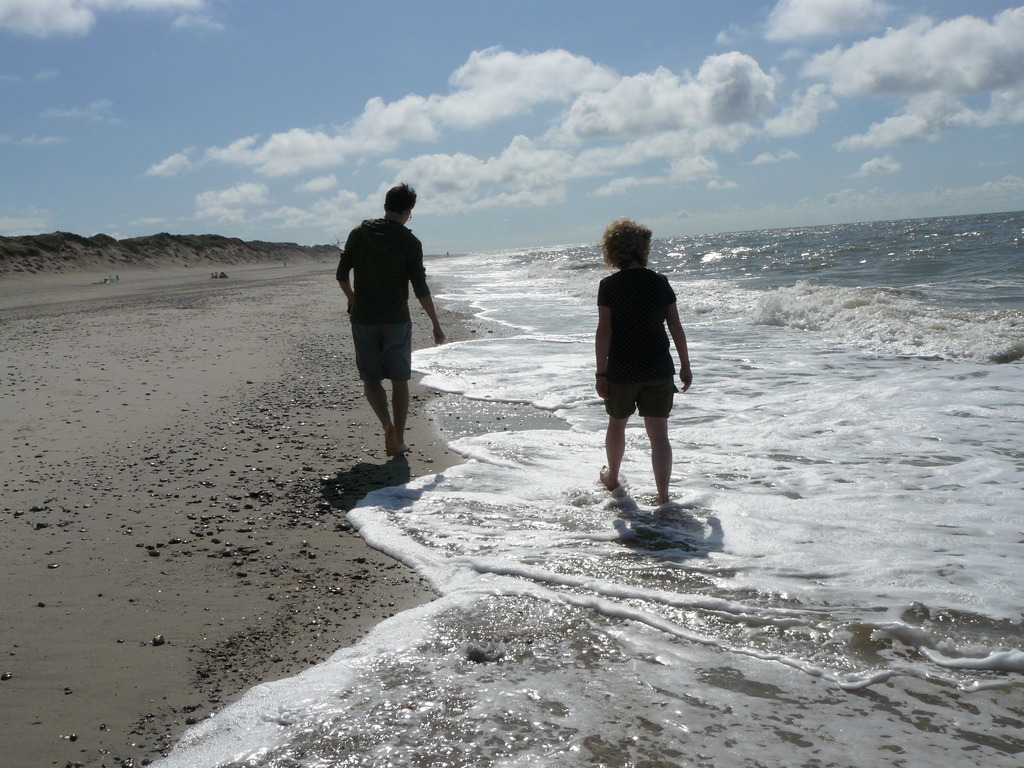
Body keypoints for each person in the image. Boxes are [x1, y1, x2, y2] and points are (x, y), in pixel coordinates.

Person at [337, 183, 445, 456]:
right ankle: (398, 437)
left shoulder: (359, 233)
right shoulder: (410, 242)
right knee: (399, 380)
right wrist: (435, 324)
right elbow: (420, 287)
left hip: (363, 319)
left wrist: (353, 299)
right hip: (396, 320)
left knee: (371, 379)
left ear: (386, 205)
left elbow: (341, 274)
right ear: (408, 211)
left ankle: (386, 424)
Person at [595, 218, 692, 506]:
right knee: (659, 435)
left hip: (622, 370)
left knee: (617, 424)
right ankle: (663, 497)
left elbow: (604, 331)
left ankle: (612, 476)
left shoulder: (609, 285)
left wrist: (601, 372)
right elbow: (676, 326)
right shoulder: (659, 282)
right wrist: (685, 364)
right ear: (643, 249)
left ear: (613, 251)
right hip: (658, 368)